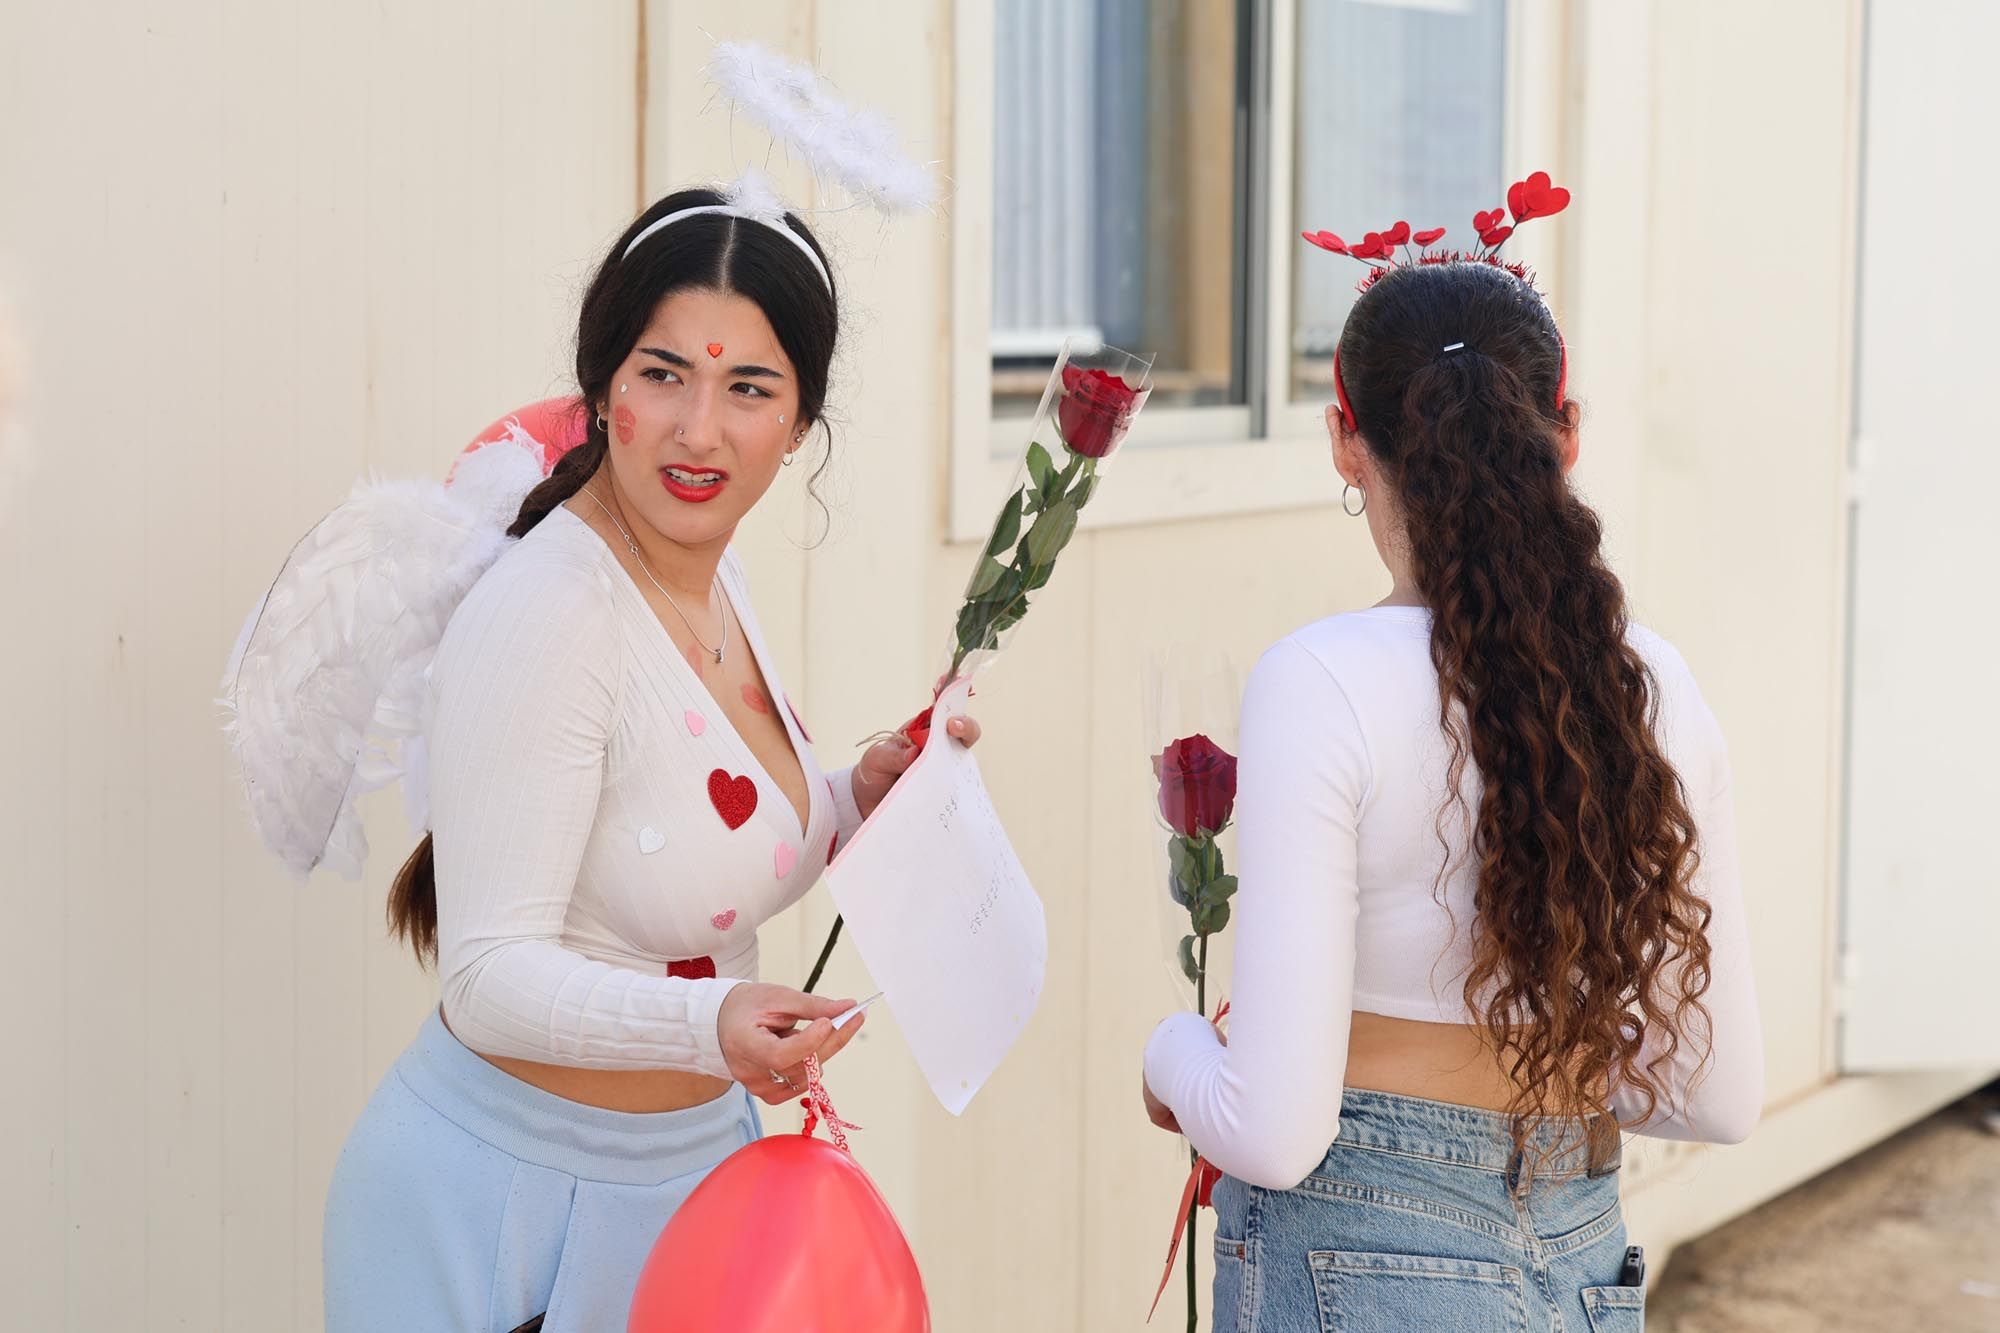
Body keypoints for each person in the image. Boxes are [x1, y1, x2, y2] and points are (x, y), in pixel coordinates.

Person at [321, 186, 978, 1333]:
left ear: (800, 422)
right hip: (502, 1226)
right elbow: (483, 975)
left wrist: (854, 796)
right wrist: (709, 1026)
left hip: (688, 1189)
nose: (698, 429)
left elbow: (683, 842)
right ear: (602, 390)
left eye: (748, 388)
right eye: (662, 373)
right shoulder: (553, 613)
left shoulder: (707, 583)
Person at [1141, 244, 1761, 1330]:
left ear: (1346, 441)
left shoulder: (1319, 680)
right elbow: (1715, 1094)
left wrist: (1170, 1052)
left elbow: (1275, 1129)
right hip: (1575, 1253)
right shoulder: (1651, 684)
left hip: (1355, 1247)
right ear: (1562, 434)